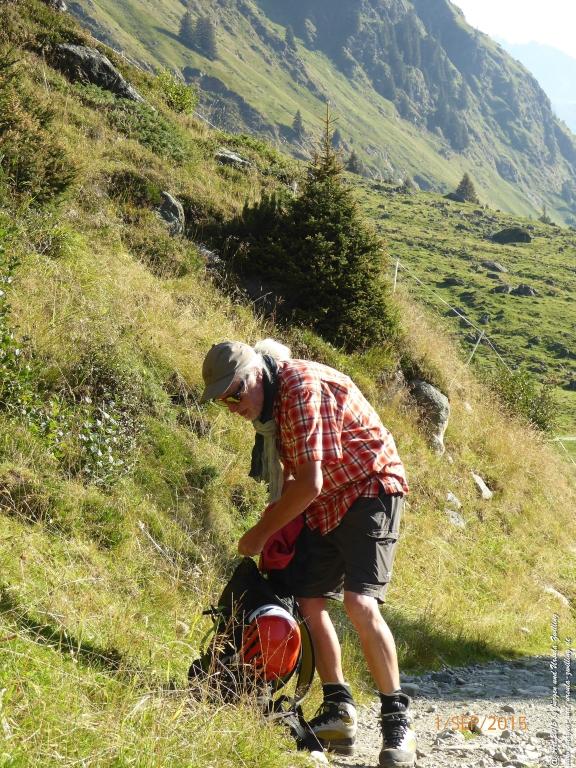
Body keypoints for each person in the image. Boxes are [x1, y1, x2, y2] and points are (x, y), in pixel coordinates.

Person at [200, 339, 416, 768]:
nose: (232, 405)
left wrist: (261, 534)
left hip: (370, 486)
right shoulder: (270, 412)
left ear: (256, 375)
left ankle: (398, 724)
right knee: (307, 599)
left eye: (236, 394)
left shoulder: (297, 388)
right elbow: (299, 481)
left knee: (359, 602)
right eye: (224, 401)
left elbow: (309, 482)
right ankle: (339, 710)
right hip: (328, 503)